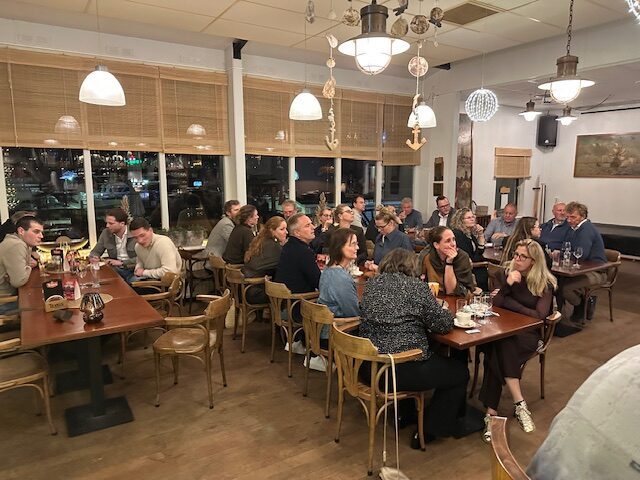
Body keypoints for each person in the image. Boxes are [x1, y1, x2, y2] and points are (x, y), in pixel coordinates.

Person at [360, 248, 469, 446]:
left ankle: (405, 414)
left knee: (425, 352)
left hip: (370, 366)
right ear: (411, 266)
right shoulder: (416, 288)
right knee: (459, 372)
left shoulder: (372, 284)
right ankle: (428, 431)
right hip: (397, 372)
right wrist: (443, 309)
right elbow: (443, 325)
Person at [526, 344, 640, 480]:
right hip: (557, 462)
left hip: (545, 467)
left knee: (506, 353)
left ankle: (515, 401)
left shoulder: (626, 360)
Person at [481, 239, 557, 443]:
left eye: (523, 256)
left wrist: (510, 303)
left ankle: (491, 415)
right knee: (500, 342)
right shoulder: (508, 273)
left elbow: (539, 316)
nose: (517, 259)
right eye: (516, 254)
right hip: (503, 329)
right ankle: (519, 404)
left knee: (499, 346)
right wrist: (508, 285)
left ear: (534, 261)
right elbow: (495, 303)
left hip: (528, 335)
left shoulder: (544, 283)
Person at [314, 228, 361, 371]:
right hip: (335, 335)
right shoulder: (340, 278)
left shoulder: (328, 269)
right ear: (340, 247)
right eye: (353, 244)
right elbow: (354, 313)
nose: (357, 248)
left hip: (324, 330)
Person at [274, 213, 321, 355]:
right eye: (307, 225)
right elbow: (318, 282)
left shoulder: (289, 247)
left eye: (311, 224)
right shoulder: (302, 252)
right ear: (297, 233)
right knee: (333, 305)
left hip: (283, 304)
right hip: (295, 308)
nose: (313, 227)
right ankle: (318, 354)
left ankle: (297, 341)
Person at [556, 202, 606, 328]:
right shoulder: (572, 228)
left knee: (563, 288)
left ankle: (583, 304)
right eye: (567, 217)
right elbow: (565, 247)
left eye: (573, 217)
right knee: (556, 282)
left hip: (595, 271)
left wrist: (563, 255)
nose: (569, 220)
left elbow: (582, 254)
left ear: (582, 216)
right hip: (579, 268)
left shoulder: (586, 230)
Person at [0, 216, 43, 313]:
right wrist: (28, 267)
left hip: (10, 295)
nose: (41, 236)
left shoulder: (23, 243)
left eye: (41, 232)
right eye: (36, 232)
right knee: (41, 304)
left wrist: (25, 267)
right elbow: (19, 281)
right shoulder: (16, 245)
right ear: (21, 231)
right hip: (4, 301)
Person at [242, 216, 287, 304]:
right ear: (272, 231)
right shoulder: (273, 246)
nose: (286, 232)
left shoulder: (260, 241)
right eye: (282, 229)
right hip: (257, 292)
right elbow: (283, 267)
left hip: (246, 289)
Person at [423, 226, 476, 297]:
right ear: (436, 245)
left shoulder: (462, 257)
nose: (453, 244)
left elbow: (451, 291)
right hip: (436, 299)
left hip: (459, 298)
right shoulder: (429, 258)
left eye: (453, 239)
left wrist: (449, 262)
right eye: (448, 241)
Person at [89, 208, 137, 281]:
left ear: (122, 224)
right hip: (116, 269)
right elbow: (96, 251)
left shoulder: (135, 233)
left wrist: (122, 263)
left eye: (111, 223)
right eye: (107, 223)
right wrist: (93, 257)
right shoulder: (106, 233)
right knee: (97, 278)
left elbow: (143, 258)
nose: (107, 226)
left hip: (134, 268)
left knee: (133, 280)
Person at [450, 207, 488, 291]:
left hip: (475, 266)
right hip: (466, 269)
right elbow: (468, 257)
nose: (472, 219)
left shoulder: (469, 234)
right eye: (469, 218)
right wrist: (482, 260)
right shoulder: (458, 234)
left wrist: (481, 235)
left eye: (473, 217)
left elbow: (480, 251)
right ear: (461, 221)